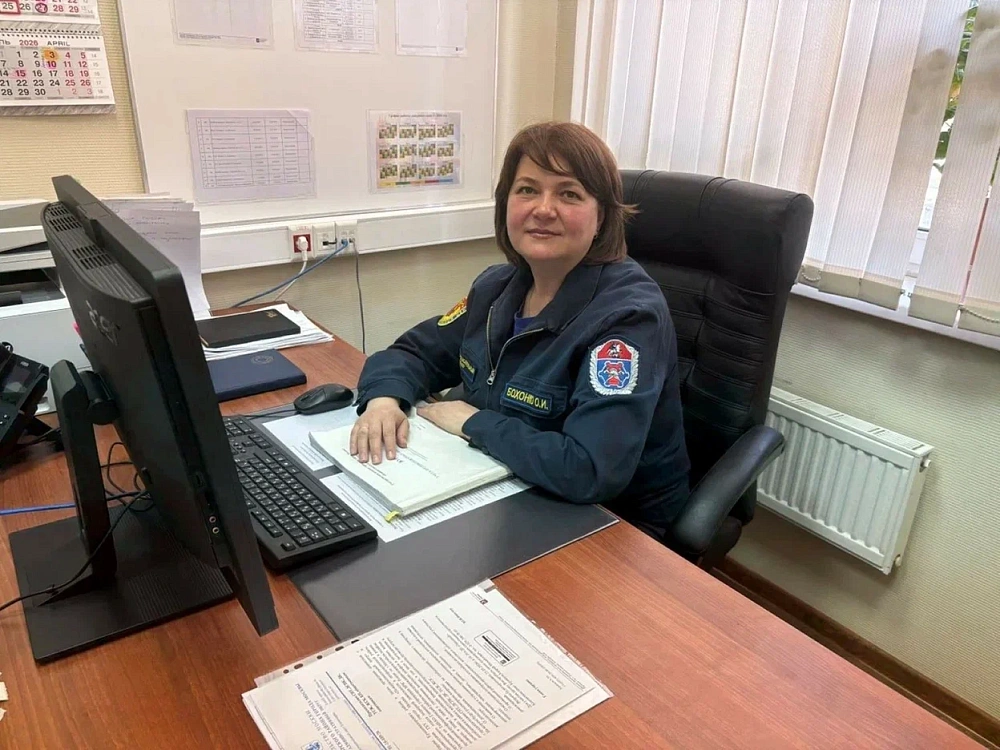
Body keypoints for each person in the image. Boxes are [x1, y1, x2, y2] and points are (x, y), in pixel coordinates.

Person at [351, 121, 690, 529]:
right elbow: (414, 353)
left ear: (602, 216)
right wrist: (384, 401)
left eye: (569, 194)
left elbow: (590, 468)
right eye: (527, 190)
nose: (543, 209)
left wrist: (474, 423)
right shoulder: (495, 290)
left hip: (611, 526)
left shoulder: (628, 318)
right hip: (504, 483)